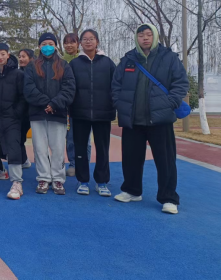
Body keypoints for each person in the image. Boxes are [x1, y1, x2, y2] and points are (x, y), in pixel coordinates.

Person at [112, 24, 188, 214]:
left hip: (160, 119)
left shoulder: (169, 58)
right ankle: (132, 191)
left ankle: (169, 198)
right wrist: (120, 104)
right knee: (130, 159)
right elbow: (116, 85)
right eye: (141, 35)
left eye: (148, 34)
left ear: (154, 36)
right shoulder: (128, 59)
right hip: (133, 120)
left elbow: (180, 83)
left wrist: (170, 102)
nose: (145, 38)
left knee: (165, 162)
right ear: (136, 38)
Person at [24, 33, 75, 195]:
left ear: (55, 46)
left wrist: (54, 104)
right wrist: (45, 103)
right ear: (39, 46)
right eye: (44, 43)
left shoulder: (64, 65)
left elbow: (69, 88)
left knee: (58, 148)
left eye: (51, 44)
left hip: (58, 113)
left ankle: (58, 179)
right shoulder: (31, 66)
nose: (47, 46)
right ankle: (44, 178)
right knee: (40, 148)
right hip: (37, 113)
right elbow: (28, 88)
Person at [69, 30, 116, 196]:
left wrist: (113, 104)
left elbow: (116, 86)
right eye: (85, 39)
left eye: (91, 39)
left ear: (97, 42)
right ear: (80, 43)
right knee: (80, 149)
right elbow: (69, 87)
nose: (88, 42)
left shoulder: (108, 63)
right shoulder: (74, 64)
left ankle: (102, 182)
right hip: (79, 113)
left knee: (103, 149)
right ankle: (82, 181)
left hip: (103, 113)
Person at [0, 43, 26, 200]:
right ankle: (0, 171)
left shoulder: (18, 74)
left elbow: (23, 97)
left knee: (13, 148)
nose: (0, 57)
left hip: (11, 119)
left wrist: (16, 113)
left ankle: (17, 182)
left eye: (3, 54)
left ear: (8, 54)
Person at [63, 33, 91, 177]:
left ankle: (84, 164)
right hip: (67, 106)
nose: (69, 45)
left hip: (84, 105)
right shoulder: (60, 62)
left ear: (78, 44)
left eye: (72, 42)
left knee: (85, 138)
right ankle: (73, 163)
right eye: (66, 43)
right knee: (70, 138)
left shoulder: (84, 59)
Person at [18, 49, 35, 170]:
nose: (21, 59)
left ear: (31, 58)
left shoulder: (36, 72)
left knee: (40, 142)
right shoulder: (18, 73)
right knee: (19, 137)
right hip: (21, 112)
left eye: (24, 56)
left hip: (34, 111)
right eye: (19, 56)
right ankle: (23, 159)